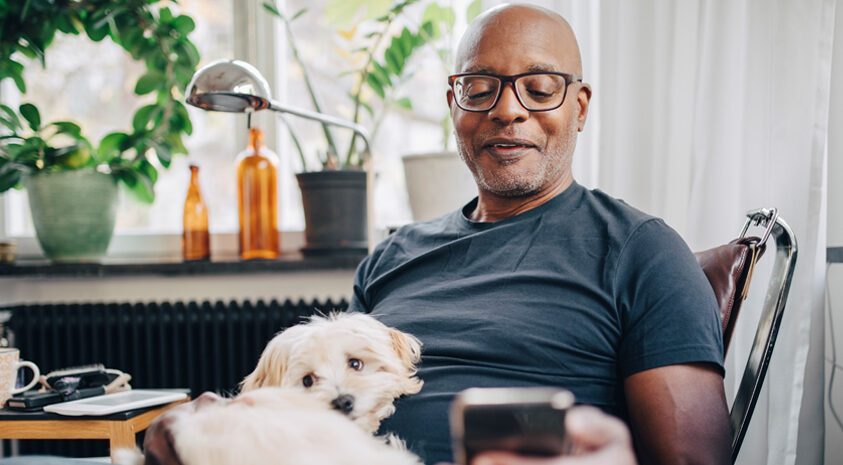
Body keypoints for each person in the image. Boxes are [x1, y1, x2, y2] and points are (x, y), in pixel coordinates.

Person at [348, 4, 731, 465]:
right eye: (480, 88)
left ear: (580, 107)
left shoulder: (642, 252)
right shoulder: (390, 258)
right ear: (455, 106)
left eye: (539, 89)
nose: (507, 110)